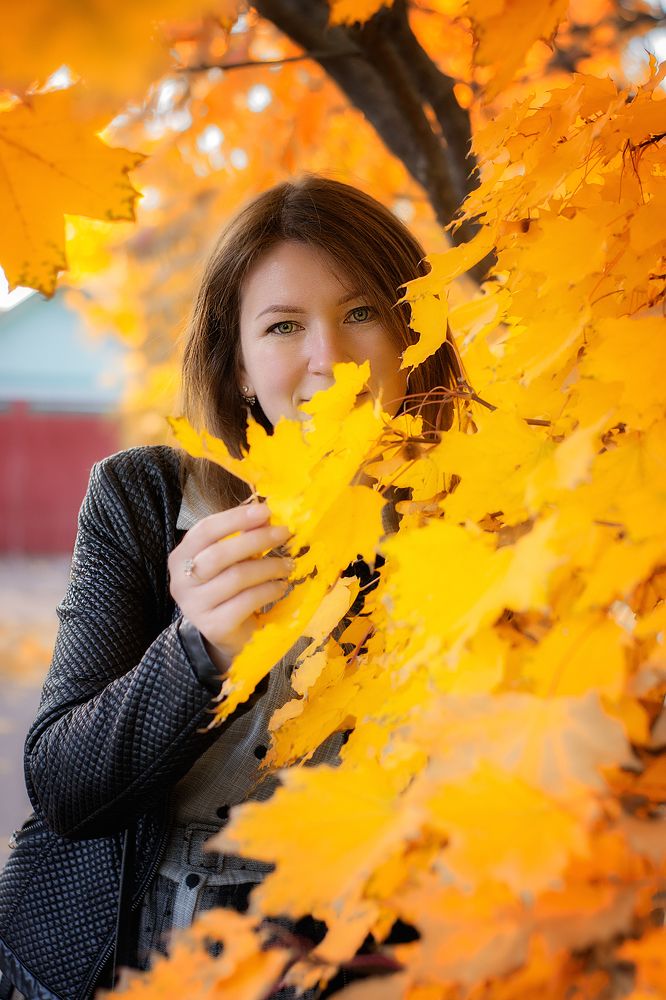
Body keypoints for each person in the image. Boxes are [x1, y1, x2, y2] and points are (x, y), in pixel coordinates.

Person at [0, 175, 462, 1000]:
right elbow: (65, 788)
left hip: (346, 955)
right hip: (112, 951)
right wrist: (197, 650)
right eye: (284, 326)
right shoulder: (144, 500)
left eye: (361, 314)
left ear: (411, 331)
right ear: (241, 365)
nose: (331, 357)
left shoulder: (479, 523)